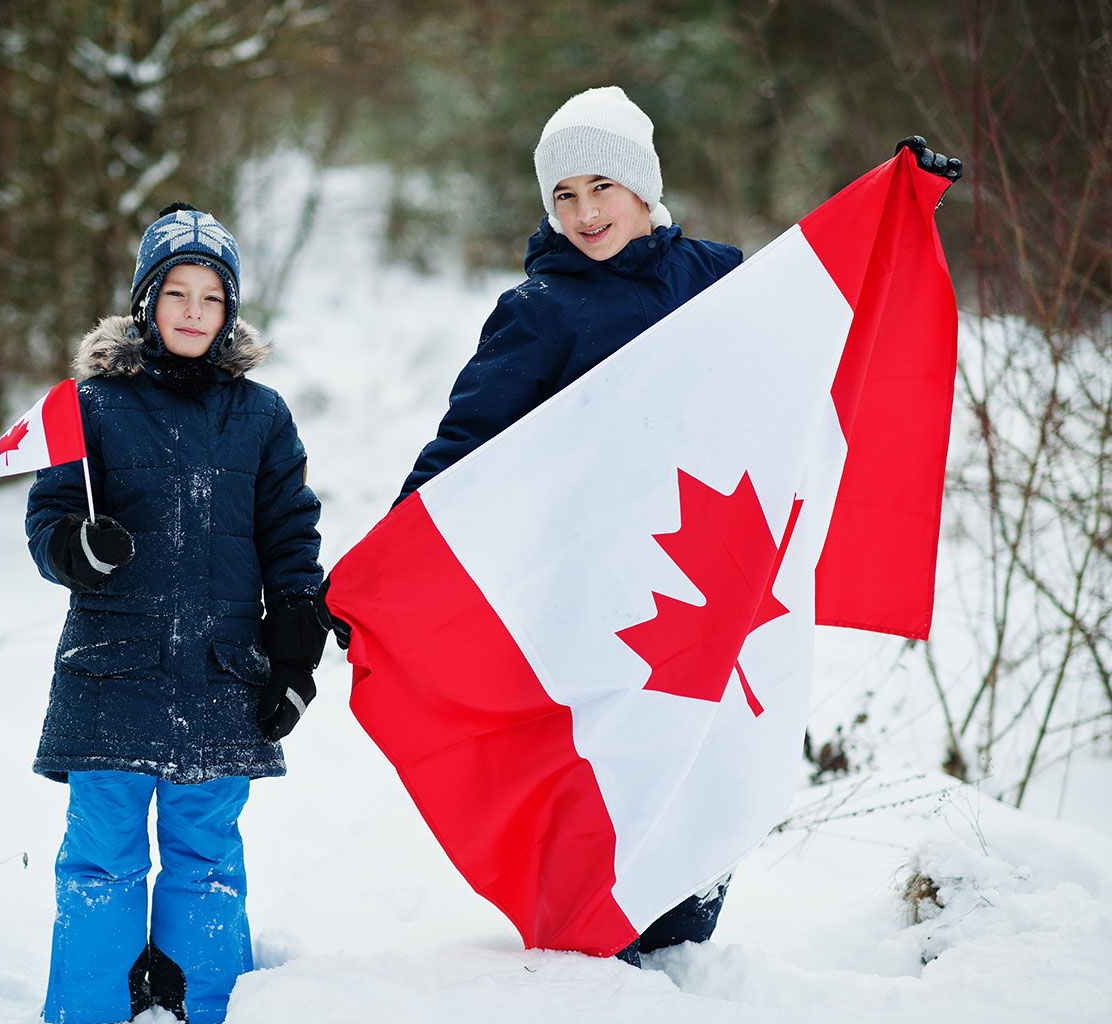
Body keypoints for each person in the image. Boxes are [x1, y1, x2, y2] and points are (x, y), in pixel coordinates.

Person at [386, 87, 961, 962]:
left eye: (601, 187)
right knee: (615, 764)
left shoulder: (723, 278)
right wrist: (394, 567)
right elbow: (465, 444)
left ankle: (684, 937)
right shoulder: (539, 312)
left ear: (645, 187)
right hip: (596, 597)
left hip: (713, 580)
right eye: (562, 196)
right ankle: (599, 946)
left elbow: (822, 332)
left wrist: (899, 203)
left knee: (700, 761)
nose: (583, 213)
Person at [25, 202, 329, 1023]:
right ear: (145, 302)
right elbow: (47, 518)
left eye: (212, 298)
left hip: (224, 674)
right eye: (177, 294)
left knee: (207, 858)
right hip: (111, 675)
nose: (194, 313)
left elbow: (289, 530)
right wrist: (73, 548)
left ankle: (207, 1005)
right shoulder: (90, 405)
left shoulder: (261, 416)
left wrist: (296, 637)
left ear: (230, 312)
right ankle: (89, 1006)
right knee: (101, 858)